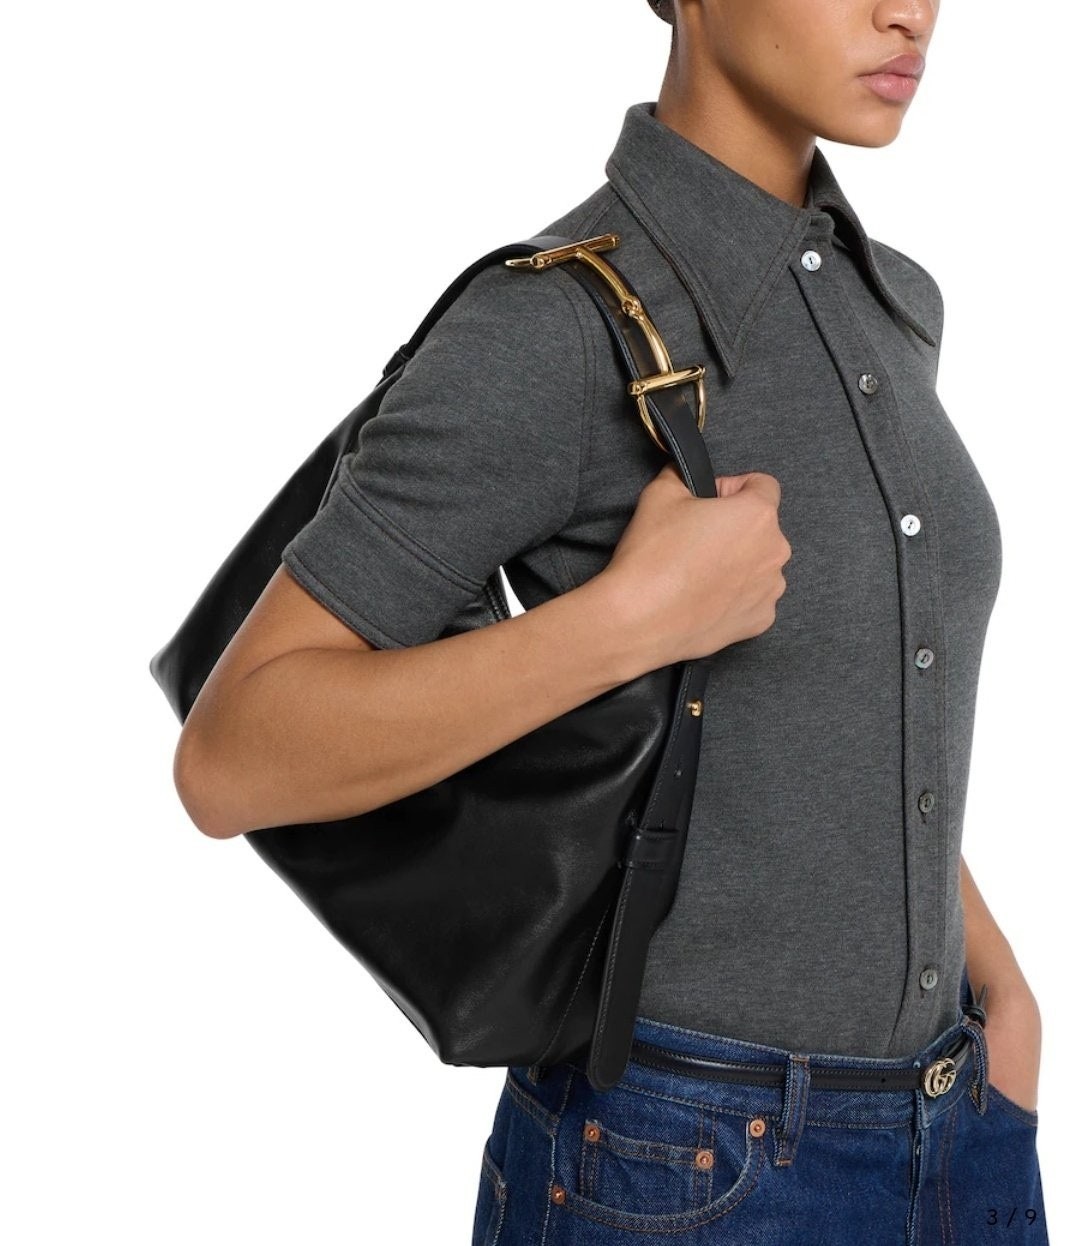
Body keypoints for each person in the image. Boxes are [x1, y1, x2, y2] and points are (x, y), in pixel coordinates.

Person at [172, 0, 1049, 1240]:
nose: (907, 11)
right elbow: (228, 759)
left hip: (956, 1133)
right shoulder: (551, 329)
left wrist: (1002, 997)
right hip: (682, 1166)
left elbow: (845, 717)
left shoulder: (890, 302)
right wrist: (626, 620)